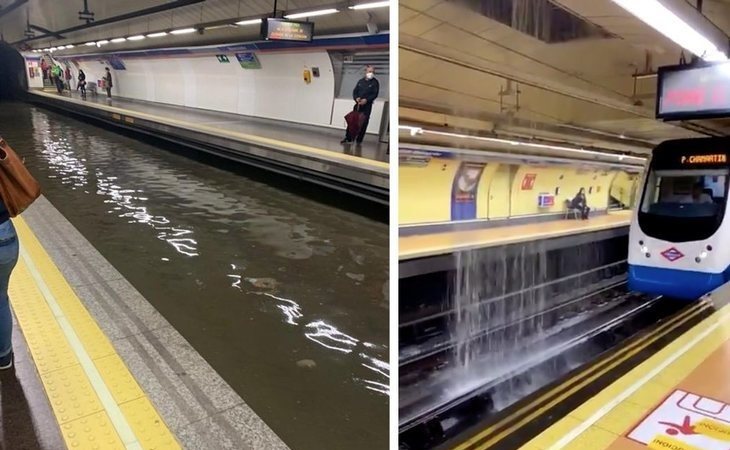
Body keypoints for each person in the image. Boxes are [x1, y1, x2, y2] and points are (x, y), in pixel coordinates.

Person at [341, 65, 379, 145]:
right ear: (365, 72)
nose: (371, 73)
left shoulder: (375, 83)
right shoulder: (360, 81)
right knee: (352, 121)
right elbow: (355, 91)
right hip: (358, 105)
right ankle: (348, 138)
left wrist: (367, 100)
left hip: (367, 106)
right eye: (369, 71)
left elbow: (374, 94)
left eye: (372, 72)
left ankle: (359, 140)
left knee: (364, 123)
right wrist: (356, 98)